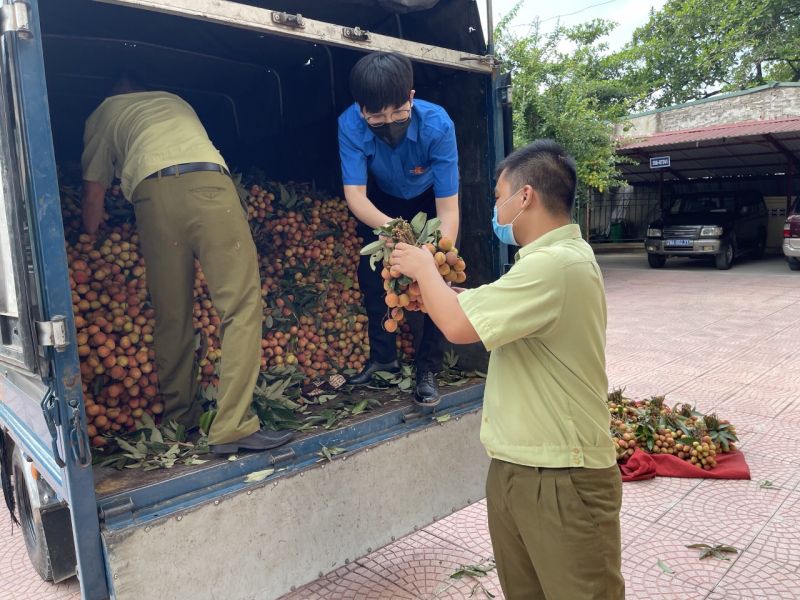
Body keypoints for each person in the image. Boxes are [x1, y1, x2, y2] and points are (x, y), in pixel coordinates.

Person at [389, 140, 624, 600]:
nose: (495, 209)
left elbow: (459, 326)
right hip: (519, 469)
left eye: (498, 197)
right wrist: (433, 293)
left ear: (525, 197)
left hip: (562, 477)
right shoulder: (539, 266)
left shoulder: (557, 265)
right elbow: (473, 308)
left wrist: (423, 269)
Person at [81, 71, 293, 454]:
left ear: (112, 91)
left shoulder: (103, 112)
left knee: (172, 314)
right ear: (143, 89)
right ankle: (232, 426)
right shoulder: (173, 100)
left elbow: (94, 194)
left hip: (153, 198)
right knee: (241, 307)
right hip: (209, 187)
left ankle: (183, 418)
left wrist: (88, 242)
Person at [338, 52, 460, 406]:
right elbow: (356, 197)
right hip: (381, 205)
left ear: (411, 97)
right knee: (372, 275)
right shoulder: (349, 124)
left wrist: (439, 251)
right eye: (375, 116)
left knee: (437, 279)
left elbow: (448, 206)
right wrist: (396, 233)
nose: (388, 122)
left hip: (428, 205)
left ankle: (427, 369)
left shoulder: (438, 125)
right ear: (361, 108)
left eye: (398, 113)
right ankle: (384, 360)